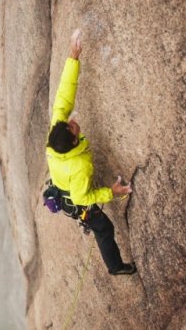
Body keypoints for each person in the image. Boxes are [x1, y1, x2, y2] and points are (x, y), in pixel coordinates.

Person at [46, 29, 137, 276]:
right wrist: (112, 192)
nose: (73, 122)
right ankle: (116, 267)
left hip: (64, 180)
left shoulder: (56, 133)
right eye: (74, 129)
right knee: (104, 228)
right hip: (74, 196)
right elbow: (80, 198)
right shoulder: (80, 167)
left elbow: (64, 96)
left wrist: (73, 57)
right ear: (74, 143)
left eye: (69, 123)